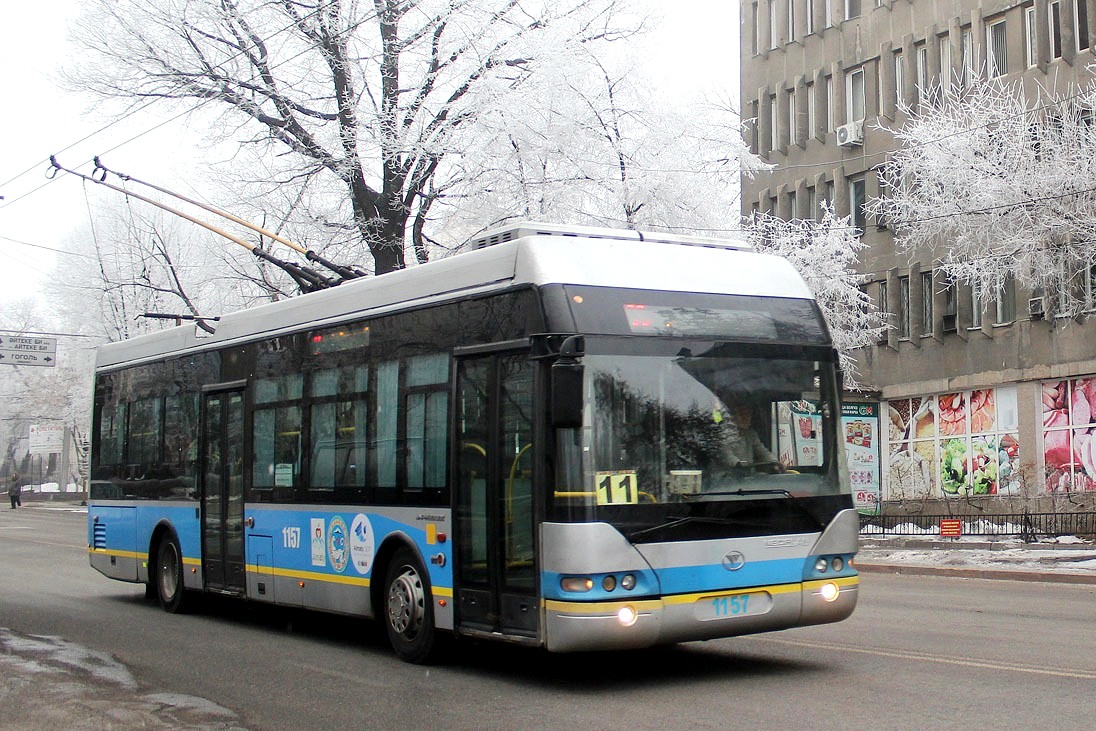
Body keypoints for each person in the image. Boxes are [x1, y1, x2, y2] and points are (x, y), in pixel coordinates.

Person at [719, 403, 785, 473]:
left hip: (748, 478)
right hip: (726, 479)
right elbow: (726, 455)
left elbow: (763, 452)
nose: (746, 418)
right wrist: (738, 464)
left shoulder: (751, 434)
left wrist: (775, 463)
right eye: (742, 415)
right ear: (732, 417)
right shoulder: (723, 435)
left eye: (748, 415)